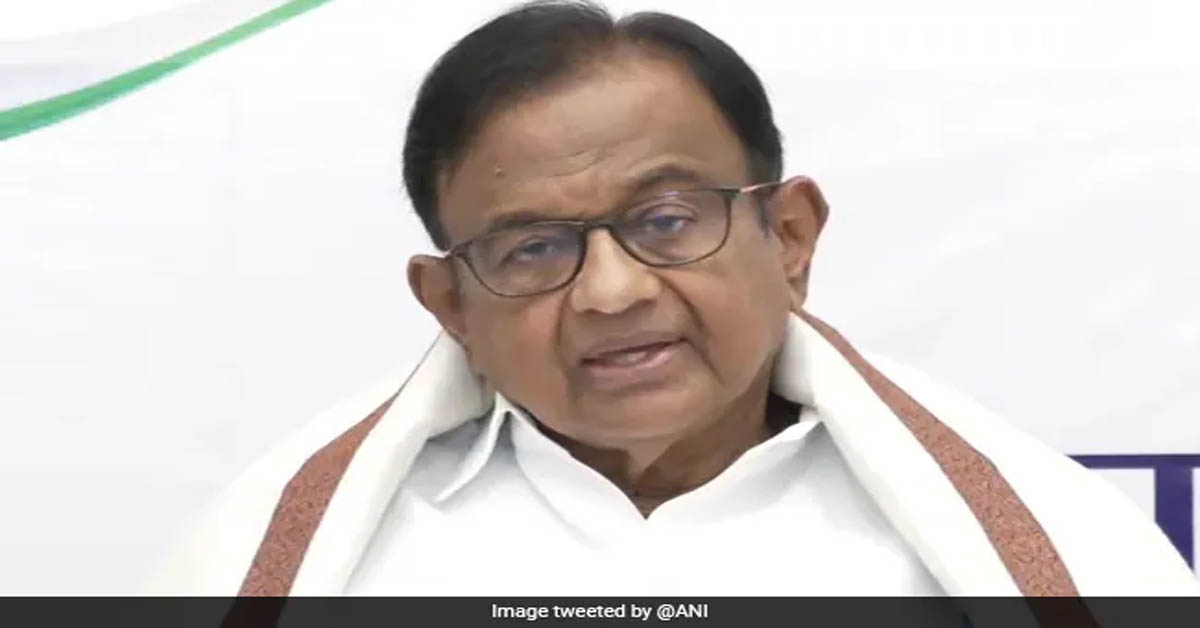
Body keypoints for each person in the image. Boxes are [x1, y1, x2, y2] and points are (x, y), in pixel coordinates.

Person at [148, 0, 1198, 599]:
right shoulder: (289, 570)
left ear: (790, 237)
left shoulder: (1046, 555)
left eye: (665, 220)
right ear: (451, 304)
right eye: (533, 247)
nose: (611, 292)